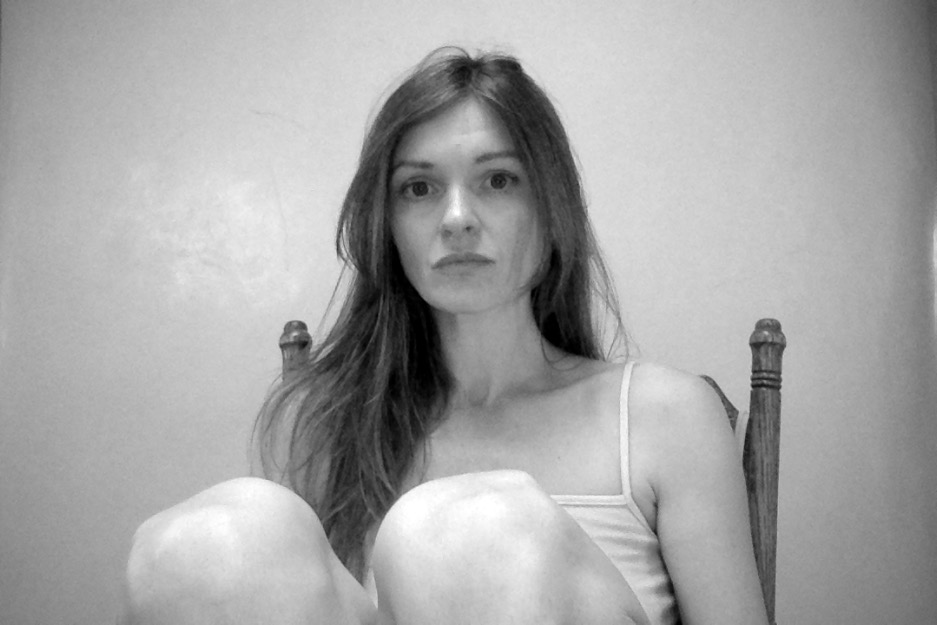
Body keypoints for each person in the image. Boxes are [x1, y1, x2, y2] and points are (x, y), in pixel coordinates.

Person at [120, 48, 769, 625]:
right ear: (388, 226)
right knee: (204, 544)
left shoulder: (665, 415)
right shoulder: (319, 424)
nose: (456, 218)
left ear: (553, 210)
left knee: (464, 534)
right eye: (420, 188)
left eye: (498, 179)